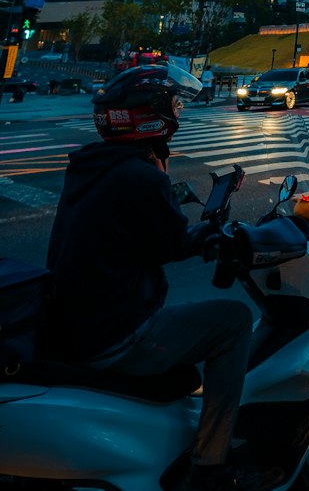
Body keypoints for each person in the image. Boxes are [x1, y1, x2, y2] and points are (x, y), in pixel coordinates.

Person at [44, 65, 255, 491]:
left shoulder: (90, 165)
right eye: (175, 107)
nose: (179, 115)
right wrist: (211, 234)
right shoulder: (140, 177)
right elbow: (173, 243)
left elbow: (131, 233)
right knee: (233, 321)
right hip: (116, 333)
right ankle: (210, 465)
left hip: (73, 323)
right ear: (152, 117)